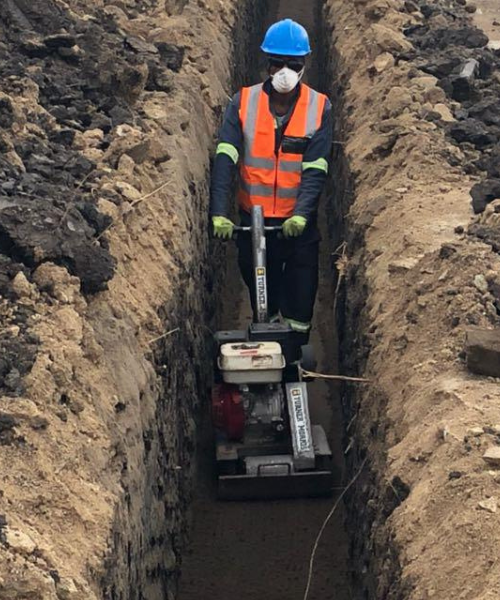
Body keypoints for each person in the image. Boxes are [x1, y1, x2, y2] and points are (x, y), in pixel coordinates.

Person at [210, 18, 332, 345]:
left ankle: (294, 360)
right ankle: (269, 344)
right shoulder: (244, 102)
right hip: (254, 224)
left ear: (304, 64)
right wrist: (218, 213)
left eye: (293, 63)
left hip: (298, 227)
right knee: (264, 300)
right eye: (278, 62)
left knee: (299, 309)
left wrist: (303, 214)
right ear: (266, 62)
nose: (284, 71)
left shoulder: (319, 107)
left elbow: (316, 167)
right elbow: (225, 159)